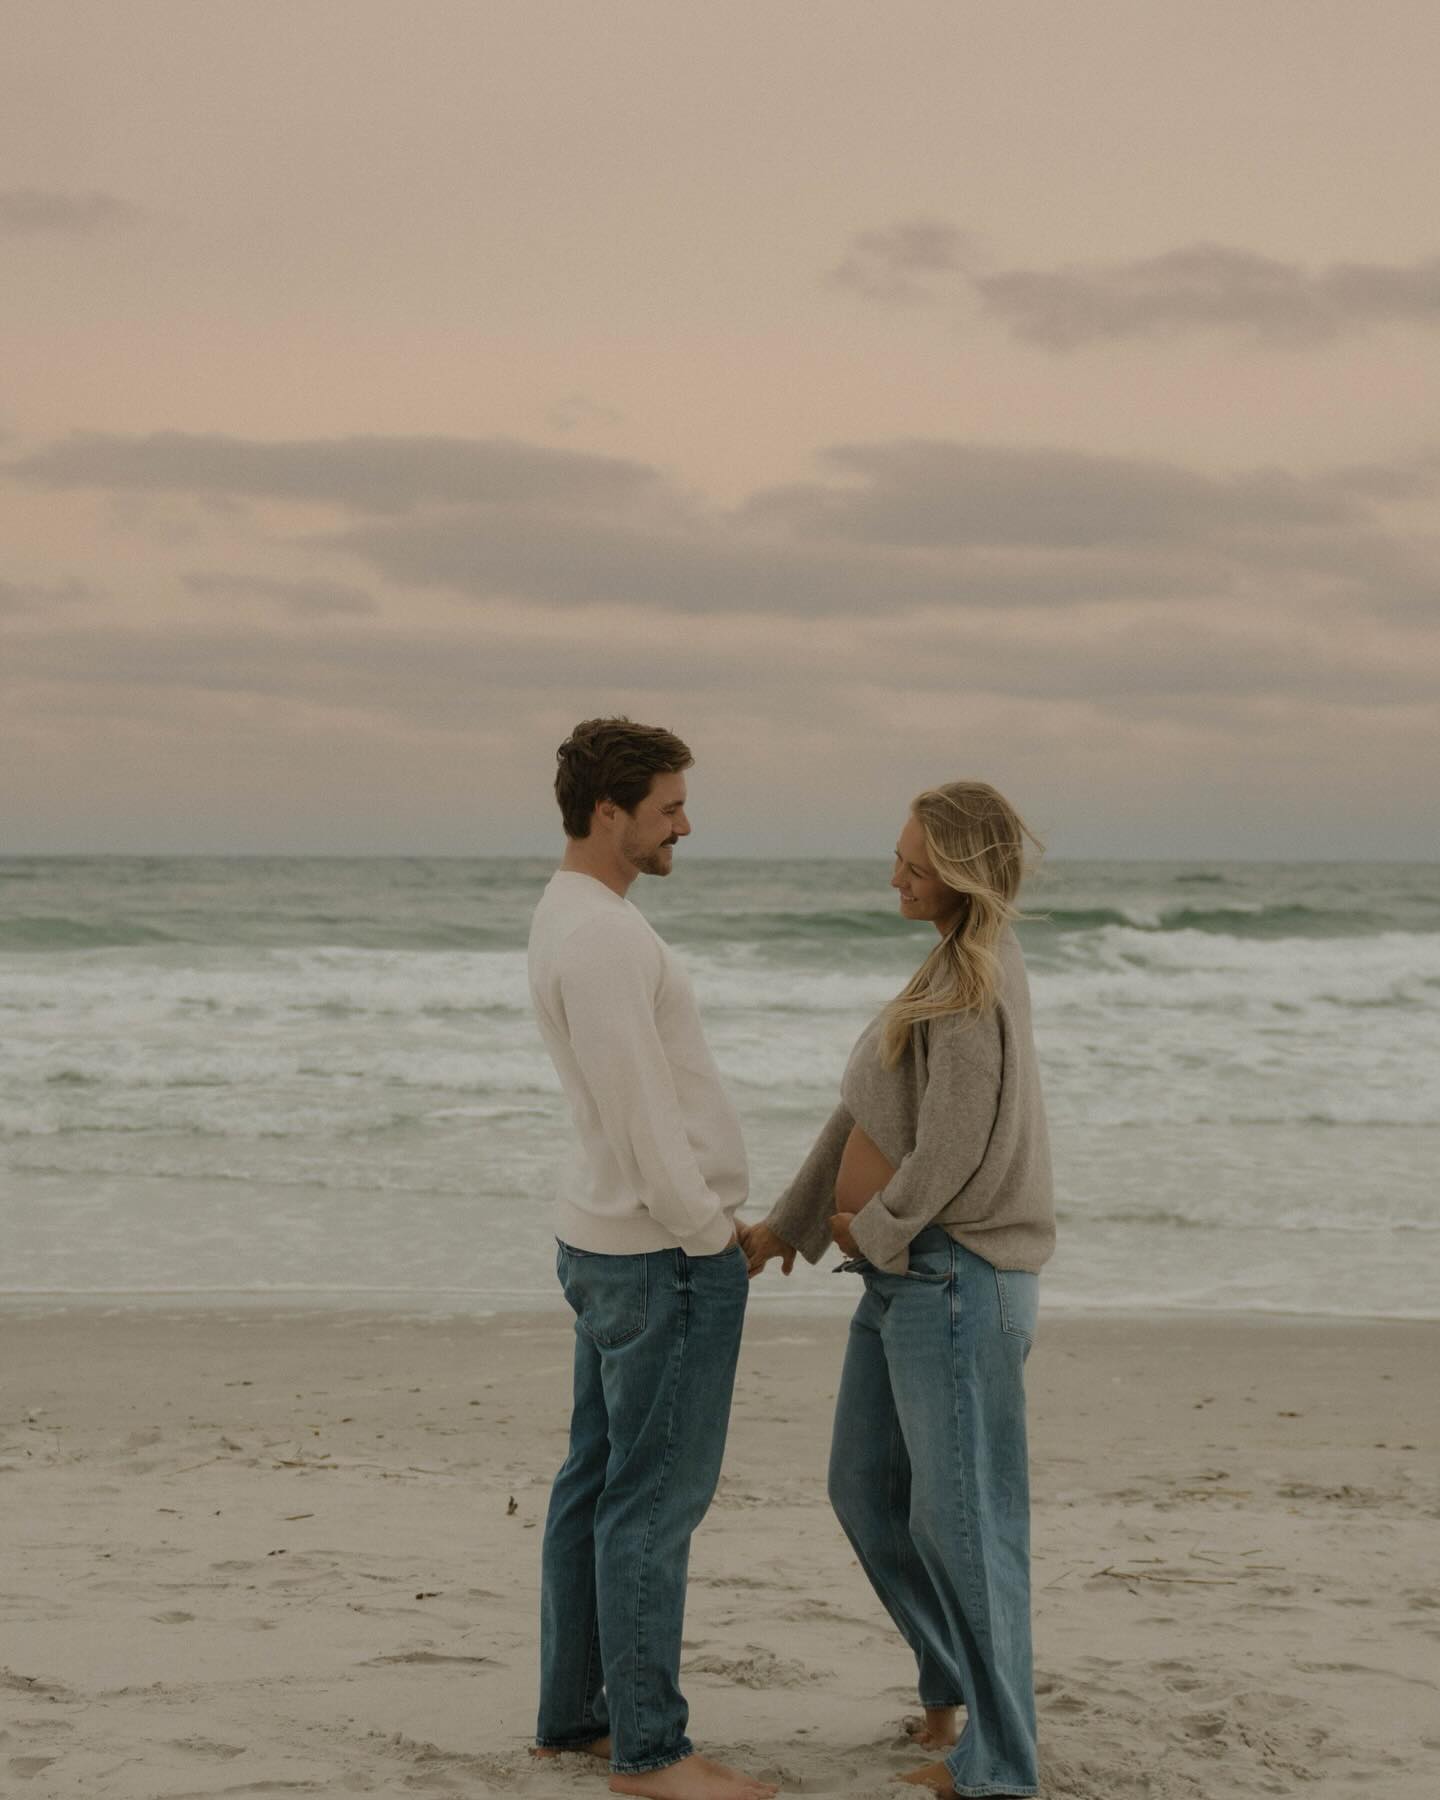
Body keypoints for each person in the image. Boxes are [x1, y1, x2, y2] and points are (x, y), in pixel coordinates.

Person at [745, 781, 1055, 1800]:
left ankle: (1002, 1769)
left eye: (914, 865)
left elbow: (954, 1149)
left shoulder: (975, 979)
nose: (895, 877)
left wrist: (871, 1231)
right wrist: (788, 1229)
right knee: (868, 1493)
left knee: (965, 1525)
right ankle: (950, 1678)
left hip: (955, 1279)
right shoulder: (941, 968)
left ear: (961, 871)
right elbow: (862, 1115)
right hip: (903, 1278)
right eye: (899, 857)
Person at [527, 717, 776, 1800]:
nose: (687, 824)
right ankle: (651, 1753)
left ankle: (577, 1721)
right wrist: (708, 1233)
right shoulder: (605, 937)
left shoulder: (571, 915)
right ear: (610, 812)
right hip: (656, 1255)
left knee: (596, 1486)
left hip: (604, 1241)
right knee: (651, 1504)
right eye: (669, 808)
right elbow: (639, 1113)